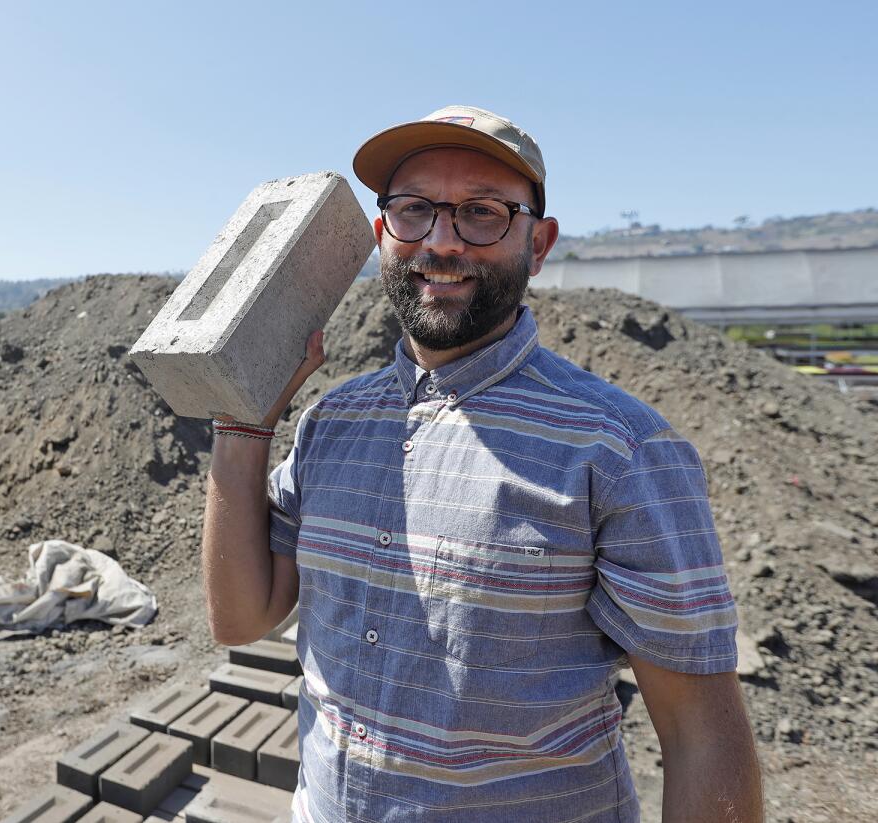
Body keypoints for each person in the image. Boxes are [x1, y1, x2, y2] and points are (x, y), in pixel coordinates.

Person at [201, 105, 762, 822]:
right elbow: (241, 616)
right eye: (413, 211)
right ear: (382, 234)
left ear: (540, 241)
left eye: (483, 213)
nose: (441, 241)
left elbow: (700, 735)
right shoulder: (330, 423)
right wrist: (243, 422)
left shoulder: (622, 449)